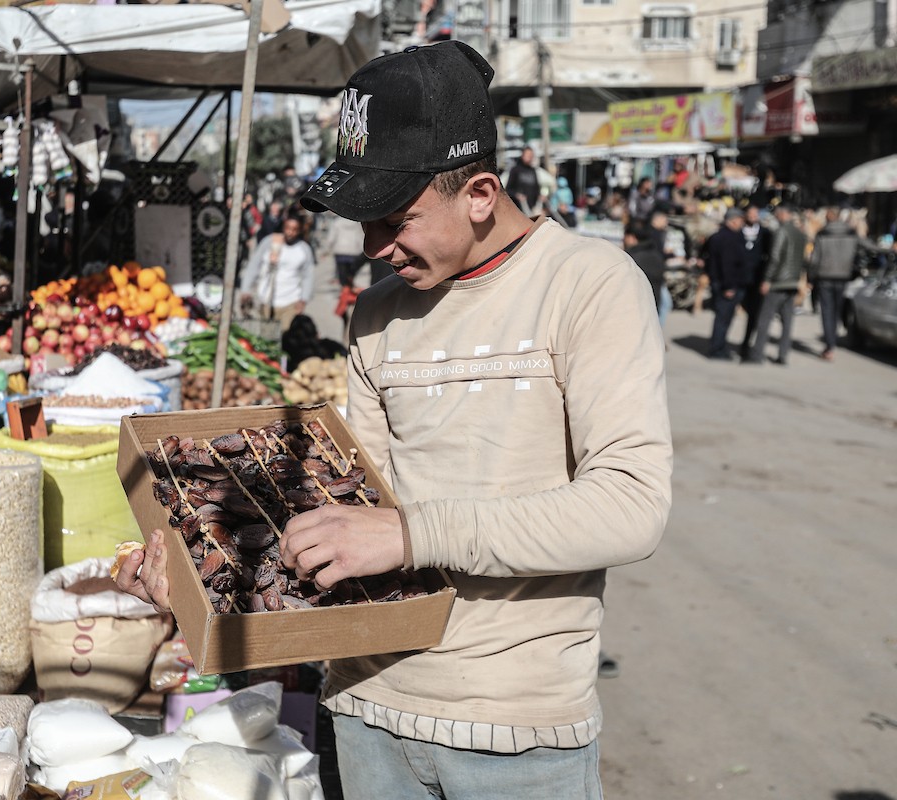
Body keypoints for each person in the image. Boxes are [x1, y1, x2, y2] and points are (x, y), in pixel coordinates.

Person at [117, 40, 671, 800]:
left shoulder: (590, 285)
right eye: (362, 223)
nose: (375, 249)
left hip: (515, 738)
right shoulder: (377, 315)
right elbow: (350, 510)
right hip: (364, 715)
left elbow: (630, 508)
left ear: (479, 193)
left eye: (396, 219)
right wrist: (193, 577)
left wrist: (413, 532)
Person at [745, 205, 807, 365]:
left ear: (782, 214)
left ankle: (757, 354)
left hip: (778, 282)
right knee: (787, 321)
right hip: (792, 281)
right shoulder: (800, 234)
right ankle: (783, 354)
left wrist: (767, 279)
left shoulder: (781, 232)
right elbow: (803, 259)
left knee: (764, 318)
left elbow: (775, 257)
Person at [238, 210, 316, 331]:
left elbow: (308, 276)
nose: (290, 232)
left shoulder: (303, 249)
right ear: (283, 226)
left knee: (286, 336)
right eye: (288, 228)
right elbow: (254, 266)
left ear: (300, 230)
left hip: (290, 301)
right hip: (266, 299)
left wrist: (304, 299)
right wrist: (245, 290)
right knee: (266, 336)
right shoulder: (269, 242)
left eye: (295, 229)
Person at [809, 206, 860, 361]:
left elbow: (815, 259)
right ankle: (832, 340)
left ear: (829, 217)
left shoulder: (823, 233)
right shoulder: (851, 233)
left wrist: (810, 277)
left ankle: (830, 345)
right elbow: (867, 245)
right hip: (843, 276)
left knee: (827, 311)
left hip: (825, 277)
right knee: (837, 310)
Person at [704, 207, 750, 360]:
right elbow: (727, 264)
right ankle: (717, 350)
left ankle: (720, 347)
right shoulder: (727, 238)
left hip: (721, 282)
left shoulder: (722, 236)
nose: (742, 223)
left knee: (724, 318)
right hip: (726, 284)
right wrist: (729, 286)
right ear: (732, 220)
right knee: (723, 318)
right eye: (740, 220)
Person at [737, 205, 772, 359]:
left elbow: (770, 256)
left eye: (755, 214)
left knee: (753, 315)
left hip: (756, 281)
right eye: (749, 213)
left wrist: (766, 279)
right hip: (738, 280)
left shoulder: (766, 234)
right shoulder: (737, 232)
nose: (752, 216)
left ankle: (746, 345)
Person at [625, 219, 667, 323]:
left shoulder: (630, 261)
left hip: (633, 316)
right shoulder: (657, 256)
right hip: (653, 311)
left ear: (631, 238)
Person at [505, 146, 542, 215]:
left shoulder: (533, 170)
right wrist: (517, 195)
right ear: (523, 155)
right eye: (528, 155)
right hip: (518, 210)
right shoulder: (515, 170)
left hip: (531, 210)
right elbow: (508, 190)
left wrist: (540, 196)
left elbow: (537, 189)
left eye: (531, 156)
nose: (530, 157)